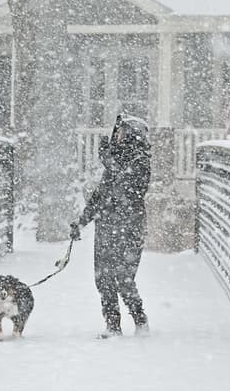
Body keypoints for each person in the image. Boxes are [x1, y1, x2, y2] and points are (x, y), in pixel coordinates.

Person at [70, 113, 151, 338]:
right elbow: (100, 196)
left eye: (122, 132)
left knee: (124, 277)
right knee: (103, 278)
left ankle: (140, 320)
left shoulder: (141, 161)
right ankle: (112, 324)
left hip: (129, 227)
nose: (117, 136)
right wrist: (81, 222)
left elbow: (129, 190)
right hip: (106, 226)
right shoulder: (115, 161)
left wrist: (110, 161)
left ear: (132, 135)